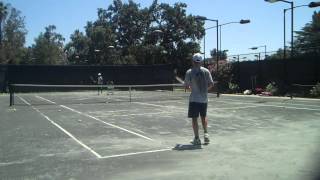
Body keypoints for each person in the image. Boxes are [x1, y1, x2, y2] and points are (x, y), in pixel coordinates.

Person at [184, 53, 214, 145]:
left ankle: (197, 138)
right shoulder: (207, 71)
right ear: (201, 61)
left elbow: (186, 86)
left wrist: (189, 88)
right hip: (204, 100)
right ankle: (206, 135)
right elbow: (211, 84)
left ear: (193, 61)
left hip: (194, 100)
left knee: (194, 119)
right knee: (203, 117)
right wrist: (205, 91)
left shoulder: (189, 72)